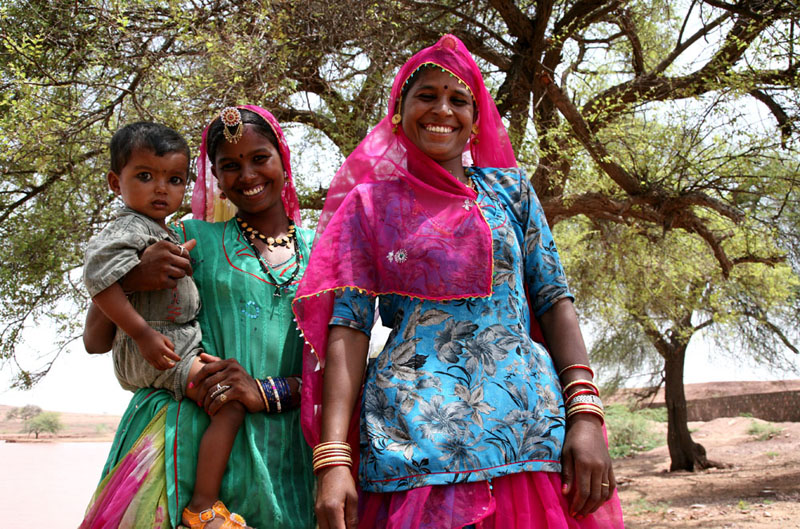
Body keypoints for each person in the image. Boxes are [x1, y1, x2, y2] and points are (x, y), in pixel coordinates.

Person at [292, 35, 625, 529]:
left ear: (475, 117)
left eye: (458, 99)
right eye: (426, 95)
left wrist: (586, 413)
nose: (441, 110)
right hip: (413, 445)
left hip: (527, 435)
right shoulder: (369, 205)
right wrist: (335, 456)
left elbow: (554, 300)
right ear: (398, 111)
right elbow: (348, 329)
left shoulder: (512, 192)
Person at [81, 106, 315, 529]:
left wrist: (268, 391)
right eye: (229, 165)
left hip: (295, 450)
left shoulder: (326, 252)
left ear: (284, 160)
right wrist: (134, 277)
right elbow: (96, 341)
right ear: (217, 181)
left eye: (260, 158)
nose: (247, 174)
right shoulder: (187, 239)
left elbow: (342, 362)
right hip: (185, 442)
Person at [82, 121, 251, 527]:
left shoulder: (169, 231)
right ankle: (203, 507)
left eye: (174, 179)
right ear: (113, 181)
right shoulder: (128, 229)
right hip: (161, 353)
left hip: (173, 348)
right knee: (229, 403)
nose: (161, 189)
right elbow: (99, 283)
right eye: (145, 176)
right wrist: (141, 333)